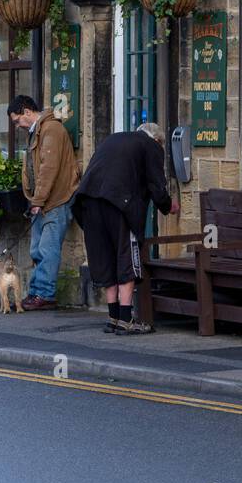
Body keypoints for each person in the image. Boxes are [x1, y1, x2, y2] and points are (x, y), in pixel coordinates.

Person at [73, 122, 175, 335]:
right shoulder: (150, 145)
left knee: (106, 256)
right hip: (120, 204)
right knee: (126, 256)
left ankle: (113, 318)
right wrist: (168, 205)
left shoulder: (113, 138)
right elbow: (158, 187)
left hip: (88, 202)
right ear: (157, 140)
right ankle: (127, 319)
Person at [8, 95, 80, 311]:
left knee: (47, 249)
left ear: (27, 111)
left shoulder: (51, 130)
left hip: (56, 199)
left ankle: (44, 294)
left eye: (17, 120)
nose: (17, 125)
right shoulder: (39, 131)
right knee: (37, 249)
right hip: (43, 201)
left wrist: (37, 199)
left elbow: (48, 168)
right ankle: (37, 292)